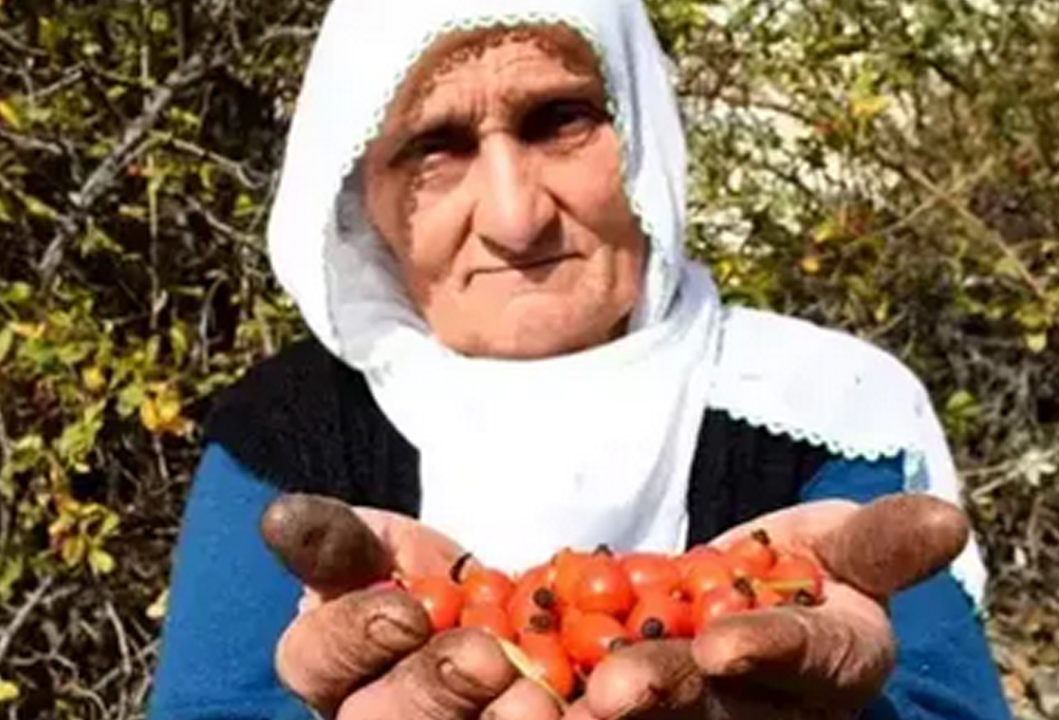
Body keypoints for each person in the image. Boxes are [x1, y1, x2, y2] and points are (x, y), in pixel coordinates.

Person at [148, 0, 1012, 718]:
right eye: (436, 147)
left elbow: (940, 699)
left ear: (642, 130)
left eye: (560, 120)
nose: (515, 218)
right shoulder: (291, 427)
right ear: (360, 191)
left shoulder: (823, 405)